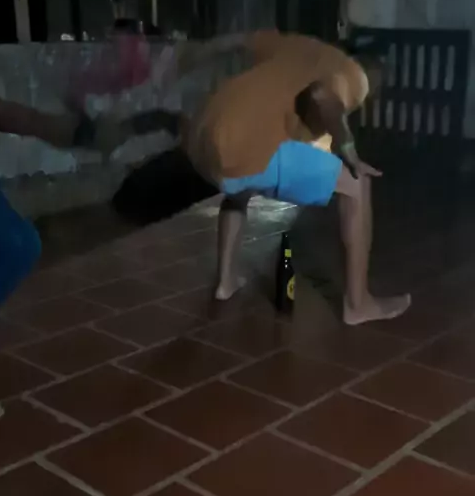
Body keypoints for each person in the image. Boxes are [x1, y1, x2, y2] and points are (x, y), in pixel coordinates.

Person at [161, 29, 411, 325]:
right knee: (357, 184)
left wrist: (193, 54)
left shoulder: (297, 46)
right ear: (375, 71)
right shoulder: (352, 74)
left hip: (204, 140)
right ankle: (359, 305)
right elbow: (322, 94)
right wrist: (349, 150)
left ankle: (226, 281)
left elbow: (238, 39)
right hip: (244, 149)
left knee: (241, 182)